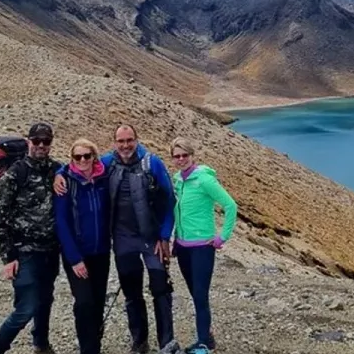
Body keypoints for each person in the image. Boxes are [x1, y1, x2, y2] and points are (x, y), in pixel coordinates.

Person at [55, 124, 179, 354]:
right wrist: (58, 174)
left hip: (151, 238)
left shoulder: (152, 163)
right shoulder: (108, 163)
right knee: (131, 291)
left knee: (161, 288)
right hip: (123, 240)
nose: (125, 145)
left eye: (129, 140)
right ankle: (139, 341)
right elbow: (79, 165)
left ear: (137, 139)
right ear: (114, 142)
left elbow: (170, 199)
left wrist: (164, 235)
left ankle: (167, 343)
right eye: (120, 141)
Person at [0, 122, 62, 354]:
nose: (41, 145)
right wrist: (8, 257)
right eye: (36, 141)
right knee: (25, 307)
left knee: (45, 299)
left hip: (50, 250)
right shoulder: (15, 174)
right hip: (25, 252)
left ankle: (41, 344)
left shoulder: (55, 169)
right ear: (28, 141)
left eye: (46, 141)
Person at [169, 137, 237, 354]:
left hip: (202, 247)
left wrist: (221, 237)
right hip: (182, 246)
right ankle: (207, 336)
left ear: (192, 156)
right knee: (194, 292)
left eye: (184, 155)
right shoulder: (178, 179)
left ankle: (204, 344)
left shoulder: (204, 180)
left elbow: (230, 205)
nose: (181, 159)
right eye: (177, 156)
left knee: (200, 295)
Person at [53, 138, 112, 354]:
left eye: (87, 155)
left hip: (102, 251)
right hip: (77, 254)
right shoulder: (66, 182)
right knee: (84, 301)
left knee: (97, 301)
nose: (83, 160)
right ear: (72, 159)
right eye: (78, 156)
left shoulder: (104, 176)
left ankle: (93, 341)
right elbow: (61, 221)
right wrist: (74, 258)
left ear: (94, 156)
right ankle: (88, 349)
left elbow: (125, 152)